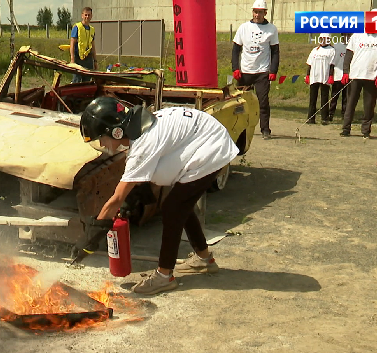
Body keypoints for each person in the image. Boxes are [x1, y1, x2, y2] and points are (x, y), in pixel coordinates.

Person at [71, 97, 238, 295]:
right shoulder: (140, 128)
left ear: (115, 131)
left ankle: (164, 277)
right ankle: (204, 260)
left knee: (173, 209)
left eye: (101, 137)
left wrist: (89, 238)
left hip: (211, 148)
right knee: (180, 204)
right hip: (206, 135)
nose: (101, 143)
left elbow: (116, 199)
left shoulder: (143, 143)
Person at [232, 0, 280, 140]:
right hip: (245, 72)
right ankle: (239, 128)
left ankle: (265, 129)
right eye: (255, 11)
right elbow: (236, 50)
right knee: (240, 102)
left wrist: (273, 70)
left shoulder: (272, 29)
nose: (257, 14)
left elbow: (275, 52)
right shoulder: (243, 28)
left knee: (263, 101)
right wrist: (235, 68)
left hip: (262, 72)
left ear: (265, 13)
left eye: (260, 12)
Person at [340, 9, 377, 139]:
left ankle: (366, 131)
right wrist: (346, 72)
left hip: (372, 76)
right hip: (355, 75)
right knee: (350, 103)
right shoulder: (357, 35)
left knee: (369, 105)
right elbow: (348, 54)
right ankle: (346, 129)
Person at [305, 33, 336, 125]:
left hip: (324, 77)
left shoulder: (331, 50)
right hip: (314, 76)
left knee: (324, 98)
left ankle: (324, 118)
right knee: (312, 98)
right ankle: (311, 118)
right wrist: (307, 75)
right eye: (321, 39)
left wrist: (331, 76)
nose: (322, 40)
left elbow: (332, 65)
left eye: (324, 39)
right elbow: (309, 64)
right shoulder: (315, 50)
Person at [69, 7, 97, 83]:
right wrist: (72, 59)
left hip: (88, 59)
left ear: (91, 16)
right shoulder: (77, 27)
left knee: (87, 81)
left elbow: (93, 46)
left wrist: (95, 61)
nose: (87, 17)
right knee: (76, 80)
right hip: (78, 58)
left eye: (89, 15)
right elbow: (72, 43)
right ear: (82, 15)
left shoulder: (92, 30)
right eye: (85, 15)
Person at [329, 34, 349, 121]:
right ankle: (331, 114)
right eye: (346, 35)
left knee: (346, 97)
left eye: (349, 35)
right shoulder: (337, 46)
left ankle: (344, 114)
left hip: (348, 75)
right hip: (338, 75)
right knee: (334, 96)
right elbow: (332, 62)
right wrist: (331, 75)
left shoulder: (352, 46)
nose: (347, 37)